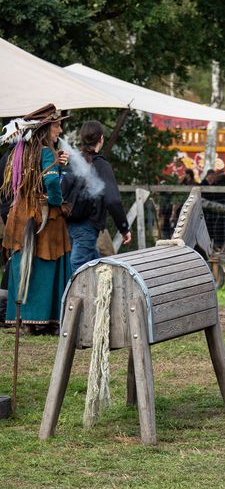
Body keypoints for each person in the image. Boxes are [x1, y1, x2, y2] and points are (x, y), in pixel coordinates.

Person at [2, 104, 72, 332]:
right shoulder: (44, 151)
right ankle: (44, 319)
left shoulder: (20, 153)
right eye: (57, 125)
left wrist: (59, 166)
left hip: (20, 215)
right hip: (43, 219)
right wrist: (56, 202)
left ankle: (24, 322)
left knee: (23, 267)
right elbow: (51, 183)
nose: (59, 130)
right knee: (43, 268)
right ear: (45, 129)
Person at [62, 121, 131, 273]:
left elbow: (63, 190)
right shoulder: (101, 165)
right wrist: (124, 229)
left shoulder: (73, 161)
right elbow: (113, 200)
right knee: (78, 272)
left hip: (68, 226)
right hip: (87, 226)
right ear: (101, 138)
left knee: (94, 266)